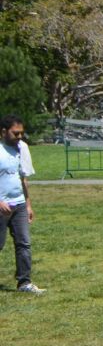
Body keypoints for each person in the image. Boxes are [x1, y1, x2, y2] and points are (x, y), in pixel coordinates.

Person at [0, 116, 39, 294]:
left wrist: (28, 205)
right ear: (3, 132)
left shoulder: (20, 149)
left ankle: (25, 283)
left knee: (24, 244)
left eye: (22, 133)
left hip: (19, 205)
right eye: (16, 133)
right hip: (2, 206)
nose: (20, 137)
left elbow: (22, 179)